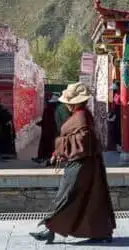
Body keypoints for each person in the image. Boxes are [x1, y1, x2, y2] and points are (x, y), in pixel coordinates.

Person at [30, 82, 116, 244]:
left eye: (70, 101)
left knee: (67, 195)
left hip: (82, 165)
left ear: (77, 102)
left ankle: (51, 229)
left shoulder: (82, 116)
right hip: (83, 163)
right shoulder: (80, 115)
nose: (67, 104)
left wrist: (61, 145)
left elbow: (83, 141)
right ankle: (99, 231)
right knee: (87, 197)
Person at [33, 93, 59, 164]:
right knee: (51, 146)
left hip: (47, 131)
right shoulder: (55, 109)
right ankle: (48, 159)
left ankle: (44, 158)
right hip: (53, 130)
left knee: (46, 146)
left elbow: (46, 121)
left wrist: (40, 123)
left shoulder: (48, 110)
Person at [107, 80, 121, 151]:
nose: (114, 90)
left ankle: (119, 145)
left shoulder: (120, 94)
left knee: (117, 130)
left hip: (119, 114)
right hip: (114, 114)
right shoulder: (115, 94)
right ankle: (117, 144)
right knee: (112, 129)